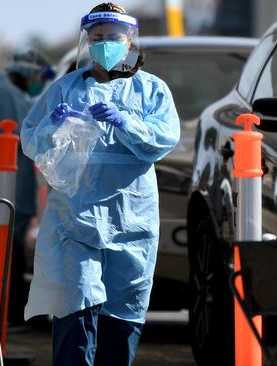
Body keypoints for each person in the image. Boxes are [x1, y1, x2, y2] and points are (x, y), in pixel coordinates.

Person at [20, 3, 180, 365]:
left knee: (123, 312)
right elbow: (31, 139)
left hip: (131, 221)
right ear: (87, 41)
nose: (104, 44)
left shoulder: (152, 91)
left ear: (129, 42)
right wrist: (52, 126)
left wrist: (126, 122)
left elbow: (164, 138)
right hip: (76, 220)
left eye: (113, 37)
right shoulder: (65, 89)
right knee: (76, 303)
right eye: (97, 38)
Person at [0, 49, 55, 326]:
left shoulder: (15, 94)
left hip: (16, 186)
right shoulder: (2, 92)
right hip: (0, 180)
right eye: (40, 76)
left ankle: (10, 314)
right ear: (27, 72)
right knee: (1, 247)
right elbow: (17, 134)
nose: (40, 82)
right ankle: (1, 315)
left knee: (12, 247)